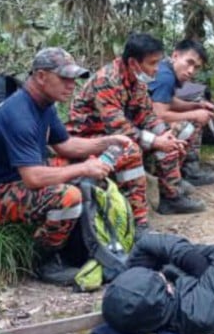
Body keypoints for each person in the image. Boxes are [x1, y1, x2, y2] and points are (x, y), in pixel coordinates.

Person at [0, 48, 133, 271]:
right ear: (41, 76)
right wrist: (85, 167)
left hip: (19, 177)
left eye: (74, 79)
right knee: (68, 197)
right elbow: (33, 178)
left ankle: (82, 235)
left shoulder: (44, 105)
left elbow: (65, 145)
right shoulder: (19, 114)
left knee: (83, 167)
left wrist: (107, 142)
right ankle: (40, 259)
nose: (72, 85)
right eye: (64, 78)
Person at [67, 33, 206, 218]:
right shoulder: (107, 80)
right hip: (90, 138)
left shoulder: (138, 82)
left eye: (158, 63)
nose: (157, 69)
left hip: (121, 132)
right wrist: (156, 141)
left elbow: (148, 117)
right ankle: (137, 217)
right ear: (133, 63)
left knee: (167, 138)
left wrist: (165, 136)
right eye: (152, 63)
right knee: (130, 149)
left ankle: (171, 197)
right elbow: (118, 128)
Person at [102, 233, 214, 334]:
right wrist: (188, 256)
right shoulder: (201, 311)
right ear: (169, 290)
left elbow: (144, 244)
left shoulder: (135, 308)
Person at [148, 39, 214, 187]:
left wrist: (196, 105)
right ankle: (173, 176)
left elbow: (168, 101)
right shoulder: (165, 76)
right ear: (175, 56)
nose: (191, 71)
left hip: (142, 120)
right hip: (134, 127)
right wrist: (195, 115)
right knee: (187, 125)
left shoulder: (166, 69)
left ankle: (185, 169)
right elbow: (160, 114)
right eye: (189, 62)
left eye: (196, 67)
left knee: (195, 115)